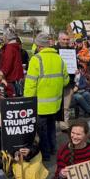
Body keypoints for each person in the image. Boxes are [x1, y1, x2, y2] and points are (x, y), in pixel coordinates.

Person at [24, 33, 69, 161]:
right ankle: (53, 148)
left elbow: (30, 84)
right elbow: (65, 81)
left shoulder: (36, 59)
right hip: (55, 103)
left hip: (40, 105)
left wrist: (28, 101)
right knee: (51, 128)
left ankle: (46, 155)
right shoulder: (59, 58)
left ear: (38, 46)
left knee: (42, 131)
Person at [55, 32, 76, 131]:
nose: (65, 41)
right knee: (55, 104)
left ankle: (64, 124)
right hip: (56, 83)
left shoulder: (72, 51)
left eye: (67, 39)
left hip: (69, 82)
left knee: (66, 106)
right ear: (59, 39)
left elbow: (75, 65)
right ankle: (53, 123)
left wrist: (76, 69)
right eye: (63, 39)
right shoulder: (54, 51)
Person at [0, 32, 24, 96]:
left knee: (11, 100)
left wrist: (1, 73)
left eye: (4, 37)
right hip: (17, 77)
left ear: (7, 38)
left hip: (11, 78)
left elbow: (7, 63)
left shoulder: (9, 48)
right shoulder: (15, 47)